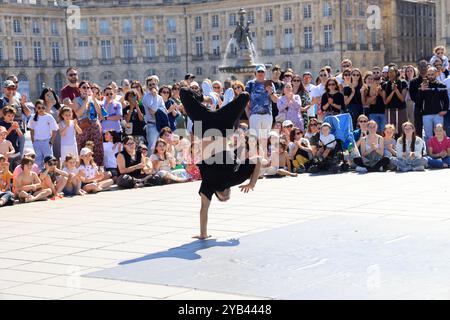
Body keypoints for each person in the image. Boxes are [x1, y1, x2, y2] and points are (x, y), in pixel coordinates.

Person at [179, 87, 262, 240]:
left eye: (222, 199)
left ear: (216, 195)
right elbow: (258, 160)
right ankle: (218, 101)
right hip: (223, 126)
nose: (226, 197)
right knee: (244, 96)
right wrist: (252, 183)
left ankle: (208, 99)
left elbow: (204, 209)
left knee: (184, 93)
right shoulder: (235, 179)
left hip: (203, 126)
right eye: (227, 198)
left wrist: (203, 234)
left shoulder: (209, 185)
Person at [73, 81, 107, 166]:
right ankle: (83, 167)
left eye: (88, 88)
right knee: (82, 146)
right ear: (79, 89)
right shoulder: (76, 100)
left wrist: (93, 98)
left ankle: (98, 167)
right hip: (83, 126)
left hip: (94, 125)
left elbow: (99, 112)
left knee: (97, 147)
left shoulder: (93, 99)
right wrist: (86, 101)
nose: (86, 89)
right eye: (84, 87)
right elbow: (78, 113)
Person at [245, 64, 278, 151]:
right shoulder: (250, 84)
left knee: (264, 140)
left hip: (267, 115)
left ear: (265, 73)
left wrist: (271, 92)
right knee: (254, 139)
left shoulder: (270, 83)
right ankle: (255, 159)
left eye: (262, 71)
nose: (260, 73)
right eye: (258, 71)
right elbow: (245, 101)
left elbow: (275, 100)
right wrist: (249, 115)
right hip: (254, 115)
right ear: (255, 73)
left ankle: (263, 158)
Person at [416, 67, 449, 144]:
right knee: (428, 136)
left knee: (440, 134)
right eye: (428, 74)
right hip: (426, 114)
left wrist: (445, 110)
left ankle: (440, 151)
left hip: (439, 114)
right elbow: (418, 102)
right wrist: (421, 91)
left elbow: (446, 100)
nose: (430, 76)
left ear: (436, 74)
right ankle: (429, 153)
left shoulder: (442, 85)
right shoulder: (423, 86)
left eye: (432, 74)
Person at [0, 80, 30, 156]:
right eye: (8, 88)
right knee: (7, 155)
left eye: (13, 88)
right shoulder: (1, 101)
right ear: (4, 89)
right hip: (5, 131)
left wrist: (23, 104)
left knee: (19, 154)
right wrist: (10, 99)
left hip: (18, 130)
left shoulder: (18, 100)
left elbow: (28, 113)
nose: (11, 90)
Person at [27, 99, 59, 169]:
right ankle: (39, 176)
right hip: (37, 142)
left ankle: (50, 176)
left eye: (43, 107)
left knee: (49, 160)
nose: (41, 109)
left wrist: (51, 141)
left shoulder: (49, 117)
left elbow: (55, 129)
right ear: (36, 108)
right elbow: (31, 129)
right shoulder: (33, 117)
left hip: (46, 142)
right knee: (38, 161)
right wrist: (33, 141)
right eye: (39, 108)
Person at [142, 75, 167, 152]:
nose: (152, 86)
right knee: (152, 146)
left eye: (153, 84)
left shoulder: (159, 97)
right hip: (151, 125)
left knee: (163, 146)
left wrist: (156, 97)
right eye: (150, 85)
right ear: (147, 86)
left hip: (161, 124)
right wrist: (155, 96)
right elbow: (153, 110)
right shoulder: (146, 97)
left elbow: (164, 110)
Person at [381, 66, 408, 136]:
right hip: (390, 110)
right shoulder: (385, 85)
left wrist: (396, 90)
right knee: (390, 131)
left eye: (392, 72)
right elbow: (385, 101)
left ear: (396, 73)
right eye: (389, 72)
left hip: (401, 110)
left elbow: (402, 99)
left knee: (402, 130)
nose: (391, 74)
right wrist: (393, 91)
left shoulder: (403, 83)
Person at [409, 60, 429, 138]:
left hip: (430, 109)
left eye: (425, 66)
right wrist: (420, 90)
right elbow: (413, 98)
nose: (423, 68)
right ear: (418, 68)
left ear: (428, 67)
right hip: (418, 109)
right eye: (421, 67)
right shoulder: (413, 82)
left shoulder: (432, 80)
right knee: (418, 131)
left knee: (430, 133)